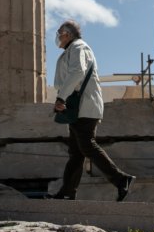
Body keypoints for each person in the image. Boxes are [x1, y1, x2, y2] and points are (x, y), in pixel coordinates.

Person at [48, 19, 136, 201]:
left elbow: (77, 72)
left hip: (85, 107)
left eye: (59, 33)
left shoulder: (79, 47)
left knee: (87, 145)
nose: (57, 37)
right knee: (76, 153)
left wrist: (61, 97)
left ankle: (121, 179)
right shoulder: (71, 50)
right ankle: (67, 192)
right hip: (78, 108)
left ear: (67, 34)